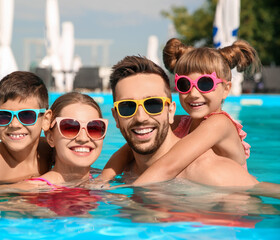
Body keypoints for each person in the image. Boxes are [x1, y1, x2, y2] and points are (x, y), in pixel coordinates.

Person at [100, 55, 258, 187]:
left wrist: (128, 192)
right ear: (115, 117)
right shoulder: (179, 122)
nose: (194, 93)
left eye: (153, 104)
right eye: (185, 84)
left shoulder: (218, 124)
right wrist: (102, 180)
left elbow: (168, 166)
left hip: (232, 188)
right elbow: (128, 148)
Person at [0, 71, 52, 185]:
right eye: (4, 116)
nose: (14, 124)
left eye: (26, 115)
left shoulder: (48, 150)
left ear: (46, 120)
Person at [25, 91, 108, 187]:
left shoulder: (100, 182)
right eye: (70, 128)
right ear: (50, 137)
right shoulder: (33, 190)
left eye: (94, 128)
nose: (83, 138)